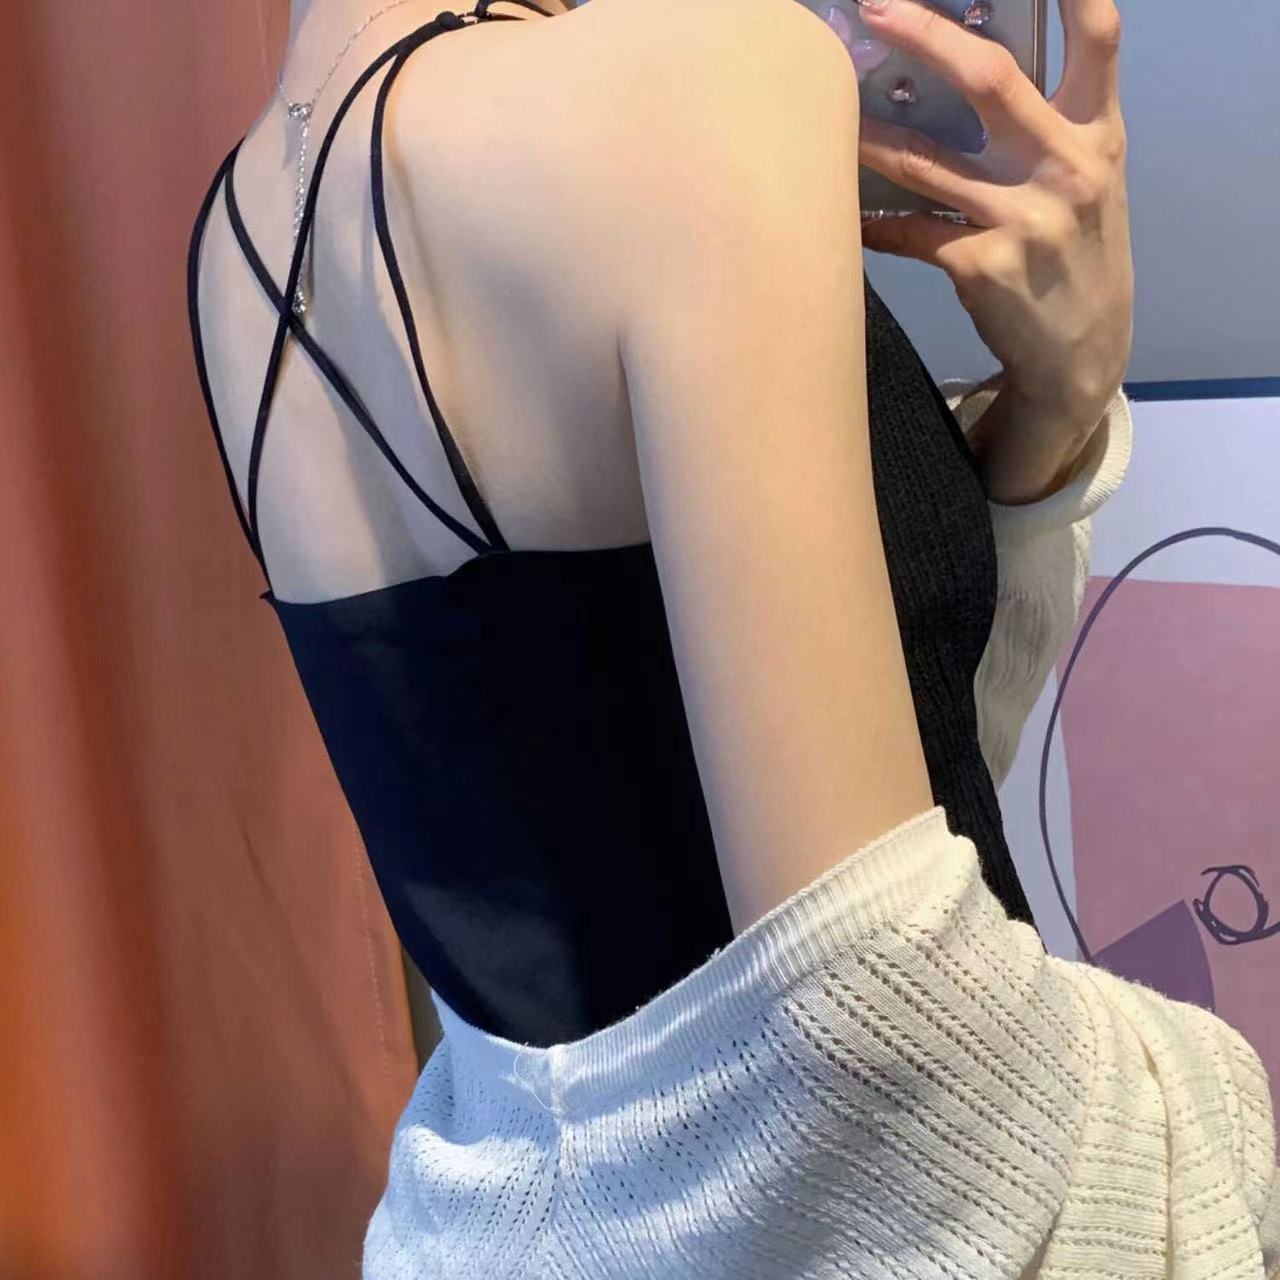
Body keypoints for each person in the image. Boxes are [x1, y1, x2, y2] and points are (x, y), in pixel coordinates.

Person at [187, 0, 1280, 1273]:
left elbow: (881, 777)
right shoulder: (703, 77)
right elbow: (886, 1039)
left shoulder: (242, 230)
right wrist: (1224, 1102)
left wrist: (1053, 406)